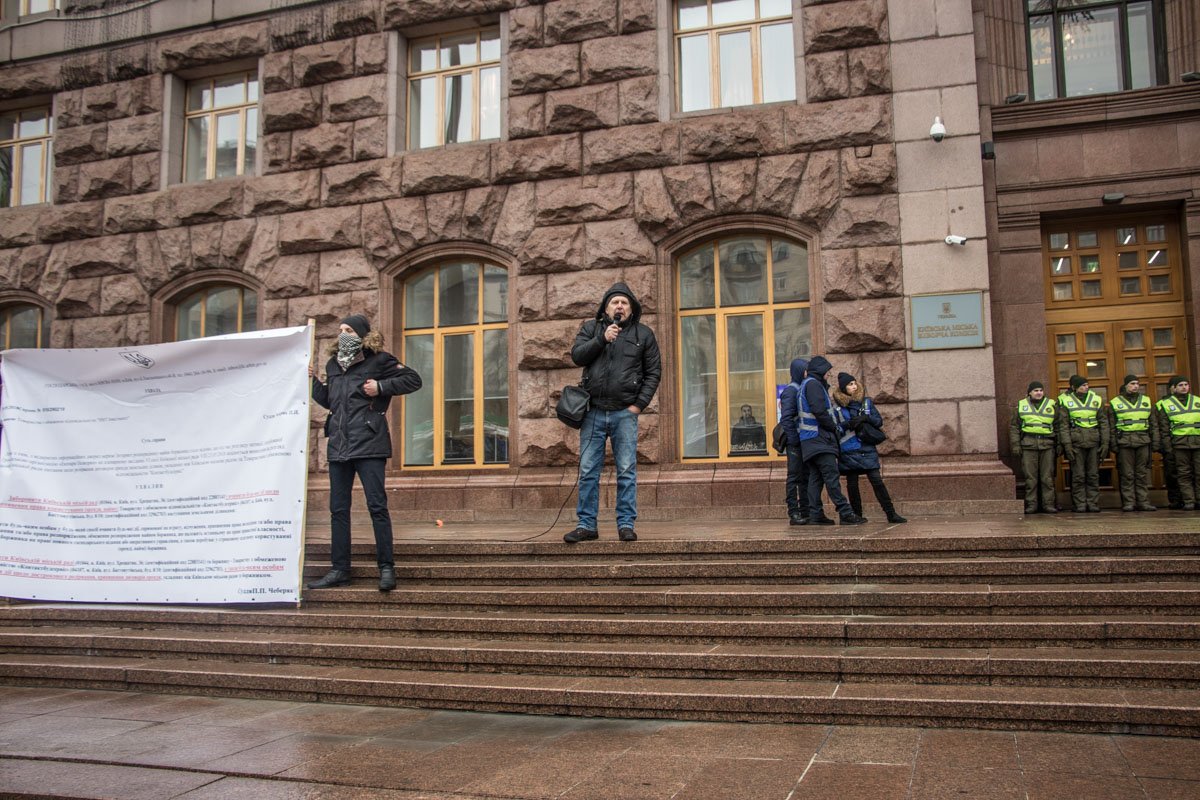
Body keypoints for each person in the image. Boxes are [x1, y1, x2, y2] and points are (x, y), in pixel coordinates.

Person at [307, 314, 422, 591]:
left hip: (370, 444)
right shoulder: (333, 364)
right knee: (338, 510)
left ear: (361, 334)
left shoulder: (379, 360)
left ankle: (386, 567)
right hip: (339, 446)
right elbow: (329, 400)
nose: (343, 334)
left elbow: (413, 380)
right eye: (340, 330)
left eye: (348, 330)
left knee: (377, 507)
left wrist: (381, 387)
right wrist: (313, 382)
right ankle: (339, 569)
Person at [564, 283, 661, 543]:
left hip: (624, 413)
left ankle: (626, 524)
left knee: (627, 470)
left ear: (632, 308)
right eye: (615, 302)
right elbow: (577, 356)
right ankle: (586, 525)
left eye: (625, 302)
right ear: (606, 307)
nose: (620, 306)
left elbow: (654, 373)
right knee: (587, 471)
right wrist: (601, 338)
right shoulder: (592, 329)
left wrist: (637, 406)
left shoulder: (644, 334)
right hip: (593, 412)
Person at [798, 356, 864, 525]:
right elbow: (820, 412)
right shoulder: (813, 385)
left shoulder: (808, 384)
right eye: (827, 371)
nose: (829, 374)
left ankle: (816, 514)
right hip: (819, 439)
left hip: (810, 440)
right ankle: (845, 512)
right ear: (820, 370)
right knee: (831, 476)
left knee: (816, 478)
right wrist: (833, 428)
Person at [832, 372, 906, 524]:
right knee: (852, 484)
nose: (853, 386)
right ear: (843, 388)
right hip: (848, 450)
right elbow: (834, 429)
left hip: (866, 448)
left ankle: (891, 513)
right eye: (849, 384)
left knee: (877, 481)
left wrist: (866, 418)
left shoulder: (866, 403)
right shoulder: (837, 408)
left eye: (854, 383)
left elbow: (878, 422)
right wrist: (846, 425)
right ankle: (856, 515)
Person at [1056, 375, 1110, 513]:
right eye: (1082, 385)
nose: (1086, 387)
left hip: (1093, 442)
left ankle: (1092, 503)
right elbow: (1063, 426)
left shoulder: (1096, 400)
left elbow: (1103, 423)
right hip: (1076, 443)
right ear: (1074, 387)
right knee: (1078, 475)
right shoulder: (1066, 401)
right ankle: (1079, 504)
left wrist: (1105, 443)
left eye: (1087, 385)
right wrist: (1067, 446)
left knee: (1093, 475)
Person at [1109, 374, 1157, 512]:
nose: (1135, 386)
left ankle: (1143, 502)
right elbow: (1112, 426)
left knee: (1142, 474)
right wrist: (1114, 444)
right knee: (1127, 474)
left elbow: (1153, 423)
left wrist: (1155, 442)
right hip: (1125, 442)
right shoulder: (1115, 402)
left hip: (1143, 441)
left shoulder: (1146, 401)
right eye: (1132, 383)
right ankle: (1129, 502)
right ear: (1125, 386)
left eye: (1137, 383)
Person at [1009, 380, 1059, 514]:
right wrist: (1015, 445)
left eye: (1041, 390)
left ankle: (1048, 504)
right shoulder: (1021, 405)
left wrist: (1059, 445)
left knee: (1047, 477)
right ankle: (1032, 504)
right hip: (1028, 445)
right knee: (1031, 478)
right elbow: (1014, 427)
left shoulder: (1052, 405)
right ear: (1029, 392)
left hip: (1047, 445)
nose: (1039, 393)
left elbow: (1059, 425)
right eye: (1036, 390)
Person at [1154, 375, 1200, 510]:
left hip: (1198, 443)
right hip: (1179, 444)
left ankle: (1199, 499)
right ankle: (1189, 501)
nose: (1184, 387)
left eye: (1186, 384)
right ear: (1173, 388)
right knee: (1183, 473)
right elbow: (1164, 428)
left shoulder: (1197, 401)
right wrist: (1168, 448)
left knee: (1199, 473)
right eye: (1181, 385)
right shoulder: (1166, 404)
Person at [778, 358, 810, 525]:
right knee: (794, 477)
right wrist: (794, 441)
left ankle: (805, 510)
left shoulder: (802, 388)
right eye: (805, 370)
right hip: (795, 442)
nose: (807, 373)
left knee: (805, 476)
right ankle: (794, 512)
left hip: (802, 440)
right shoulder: (791, 391)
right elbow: (787, 419)